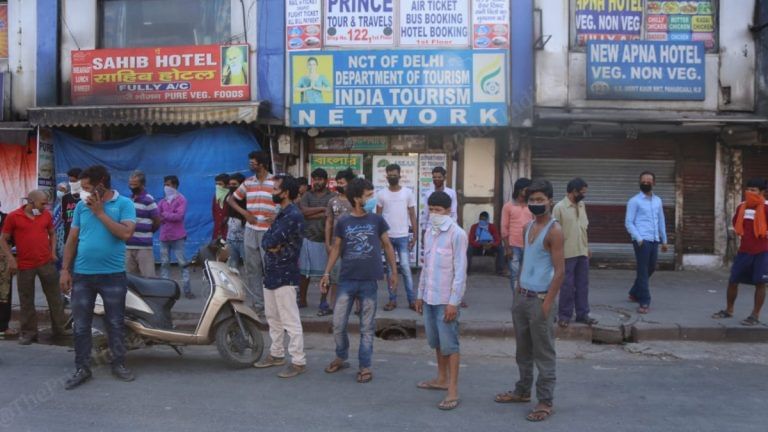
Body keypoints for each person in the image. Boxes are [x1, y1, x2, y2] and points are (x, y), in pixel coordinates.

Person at [59, 165, 137, 389]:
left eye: (86, 187)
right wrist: (65, 269)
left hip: (113, 276)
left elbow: (125, 233)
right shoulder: (82, 207)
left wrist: (100, 213)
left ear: (101, 184)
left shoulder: (124, 204)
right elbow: (72, 239)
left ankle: (119, 364)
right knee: (81, 326)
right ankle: (82, 368)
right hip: (83, 276)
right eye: (81, 188)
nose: (82, 192)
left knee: (115, 323)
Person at [495, 179, 564, 422]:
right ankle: (522, 391)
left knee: (543, 352)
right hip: (522, 297)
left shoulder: (554, 231)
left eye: (540, 200)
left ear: (550, 202)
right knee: (522, 350)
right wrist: (517, 288)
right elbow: (525, 261)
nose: (536, 204)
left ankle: (545, 401)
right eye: (532, 200)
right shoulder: (527, 227)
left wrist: (547, 304)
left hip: (540, 300)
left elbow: (560, 271)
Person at [321, 178, 397, 384]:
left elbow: (388, 245)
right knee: (338, 323)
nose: (372, 199)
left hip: (369, 281)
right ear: (356, 198)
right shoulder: (344, 221)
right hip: (347, 279)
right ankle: (341, 356)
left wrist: (394, 272)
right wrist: (326, 273)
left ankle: (365, 366)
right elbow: (336, 248)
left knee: (366, 327)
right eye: (368, 195)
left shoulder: (377, 220)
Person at [414, 191, 468, 411]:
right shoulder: (429, 231)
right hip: (429, 298)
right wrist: (419, 294)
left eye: (438, 210)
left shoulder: (458, 234)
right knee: (436, 342)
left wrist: (454, 302)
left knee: (450, 345)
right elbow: (426, 266)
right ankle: (441, 378)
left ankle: (452, 389)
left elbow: (460, 271)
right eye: (431, 210)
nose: (434, 214)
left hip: (447, 300)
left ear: (448, 211)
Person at [252, 175, 307, 378]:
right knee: (273, 318)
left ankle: (298, 361)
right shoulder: (283, 214)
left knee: (290, 320)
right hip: (273, 271)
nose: (272, 192)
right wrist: (273, 246)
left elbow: (270, 241)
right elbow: (267, 242)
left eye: (275, 189)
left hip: (286, 273)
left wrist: (274, 246)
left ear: (285, 193)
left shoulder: (292, 215)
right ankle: (276, 354)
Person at [0, 190, 68, 345]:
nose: (45, 206)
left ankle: (60, 329)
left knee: (55, 297)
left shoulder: (45, 215)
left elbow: (52, 233)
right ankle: (29, 333)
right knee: (26, 300)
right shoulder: (13, 216)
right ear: (31, 202)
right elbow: (3, 240)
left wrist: (52, 252)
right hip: (25, 265)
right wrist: (11, 258)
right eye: (42, 203)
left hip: (46, 263)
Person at [712, 178, 768, 326]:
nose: (749, 192)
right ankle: (729, 310)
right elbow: (737, 224)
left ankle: (755, 315)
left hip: (762, 251)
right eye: (748, 189)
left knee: (760, 283)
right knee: (733, 280)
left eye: (754, 190)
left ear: (762, 192)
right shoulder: (742, 207)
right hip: (744, 251)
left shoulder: (767, 208)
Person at [228, 151, 277, 315]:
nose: (250, 165)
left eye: (253, 163)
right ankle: (258, 303)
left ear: (261, 164)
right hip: (250, 231)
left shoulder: (276, 182)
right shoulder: (248, 182)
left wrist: (277, 214)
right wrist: (245, 213)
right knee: (252, 268)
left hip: (269, 232)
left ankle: (272, 304)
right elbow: (231, 199)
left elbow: (288, 201)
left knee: (270, 267)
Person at [553, 178, 597, 327]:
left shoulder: (582, 205)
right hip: (566, 253)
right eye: (582, 192)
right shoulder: (559, 208)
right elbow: (554, 233)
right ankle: (564, 315)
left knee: (583, 284)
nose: (584, 195)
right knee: (567, 285)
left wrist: (587, 247)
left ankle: (582, 314)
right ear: (574, 191)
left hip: (582, 252)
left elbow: (583, 229)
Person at [625, 171, 668, 314]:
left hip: (654, 239)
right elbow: (629, 222)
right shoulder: (634, 201)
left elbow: (661, 220)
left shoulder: (658, 201)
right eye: (643, 181)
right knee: (643, 270)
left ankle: (634, 291)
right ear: (639, 182)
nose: (646, 183)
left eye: (649, 181)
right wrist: (639, 238)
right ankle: (644, 301)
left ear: (654, 183)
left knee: (651, 267)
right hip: (641, 240)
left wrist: (664, 240)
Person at [376, 163, 417, 311]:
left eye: (395, 174)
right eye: (390, 174)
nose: (392, 177)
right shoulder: (381, 194)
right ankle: (392, 300)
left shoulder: (407, 193)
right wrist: (379, 237)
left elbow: (412, 214)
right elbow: (378, 217)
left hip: (403, 236)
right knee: (389, 270)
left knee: (406, 268)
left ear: (400, 176)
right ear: (386, 176)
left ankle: (412, 300)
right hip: (387, 238)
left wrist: (415, 236)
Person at [298, 168, 335, 310]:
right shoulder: (307, 195)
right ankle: (302, 300)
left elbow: (331, 215)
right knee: (304, 273)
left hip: (325, 239)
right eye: (315, 179)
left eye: (320, 179)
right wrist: (322, 209)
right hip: (308, 237)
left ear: (326, 181)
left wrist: (311, 213)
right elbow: (303, 212)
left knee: (325, 273)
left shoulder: (332, 196)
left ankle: (323, 301)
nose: (317, 182)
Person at [323, 168, 357, 317]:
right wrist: (327, 243)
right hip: (335, 244)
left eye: (341, 183)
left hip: (353, 245)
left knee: (355, 276)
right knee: (334, 276)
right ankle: (332, 305)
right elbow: (329, 222)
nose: (339, 185)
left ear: (349, 184)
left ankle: (358, 306)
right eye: (337, 182)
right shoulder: (332, 201)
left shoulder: (356, 201)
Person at [158, 175, 193, 299]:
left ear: (175, 185)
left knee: (182, 263)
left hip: (178, 237)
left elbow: (179, 216)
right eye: (165, 184)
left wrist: (165, 214)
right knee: (164, 264)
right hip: (164, 236)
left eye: (169, 184)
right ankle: (165, 291)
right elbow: (158, 217)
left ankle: (187, 290)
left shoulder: (181, 199)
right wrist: (168, 215)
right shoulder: (162, 201)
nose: (166, 187)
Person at [125, 170, 160, 277]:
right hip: (128, 246)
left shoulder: (148, 200)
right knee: (130, 280)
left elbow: (157, 221)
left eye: (135, 184)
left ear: (142, 184)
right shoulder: (129, 200)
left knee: (148, 277)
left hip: (143, 247)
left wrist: (147, 231)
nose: (132, 186)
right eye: (130, 184)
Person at [501, 178, 533, 291]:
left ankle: (525, 300)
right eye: (526, 190)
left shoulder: (532, 205)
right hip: (513, 246)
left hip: (530, 245)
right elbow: (504, 229)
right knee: (514, 275)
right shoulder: (508, 206)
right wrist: (507, 248)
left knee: (528, 275)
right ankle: (516, 300)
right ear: (519, 190)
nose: (529, 192)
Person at [420, 166, 458, 241]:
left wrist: (453, 228)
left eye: (439, 177)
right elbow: (426, 214)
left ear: (444, 178)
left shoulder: (451, 193)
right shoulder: (428, 194)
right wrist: (424, 231)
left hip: (447, 228)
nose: (436, 179)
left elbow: (453, 212)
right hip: (431, 228)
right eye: (434, 177)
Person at [0, 200, 17, 340]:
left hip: (4, 264)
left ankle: (3, 326)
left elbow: (14, 239)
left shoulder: (7, 219)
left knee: (5, 294)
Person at [225, 173, 247, 272]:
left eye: (235, 184)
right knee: (232, 268)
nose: (231, 187)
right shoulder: (229, 197)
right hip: (231, 239)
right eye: (230, 184)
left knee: (249, 268)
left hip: (245, 240)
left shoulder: (248, 200)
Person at [62, 168, 84, 243]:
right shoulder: (65, 198)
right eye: (70, 181)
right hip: (69, 237)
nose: (71, 184)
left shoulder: (88, 197)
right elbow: (64, 218)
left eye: (74, 181)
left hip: (83, 239)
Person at [212, 173, 230, 242]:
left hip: (228, 233)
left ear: (227, 185)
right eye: (216, 184)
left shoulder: (232, 196)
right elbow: (214, 211)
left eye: (220, 184)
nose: (217, 186)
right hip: (217, 232)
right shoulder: (216, 196)